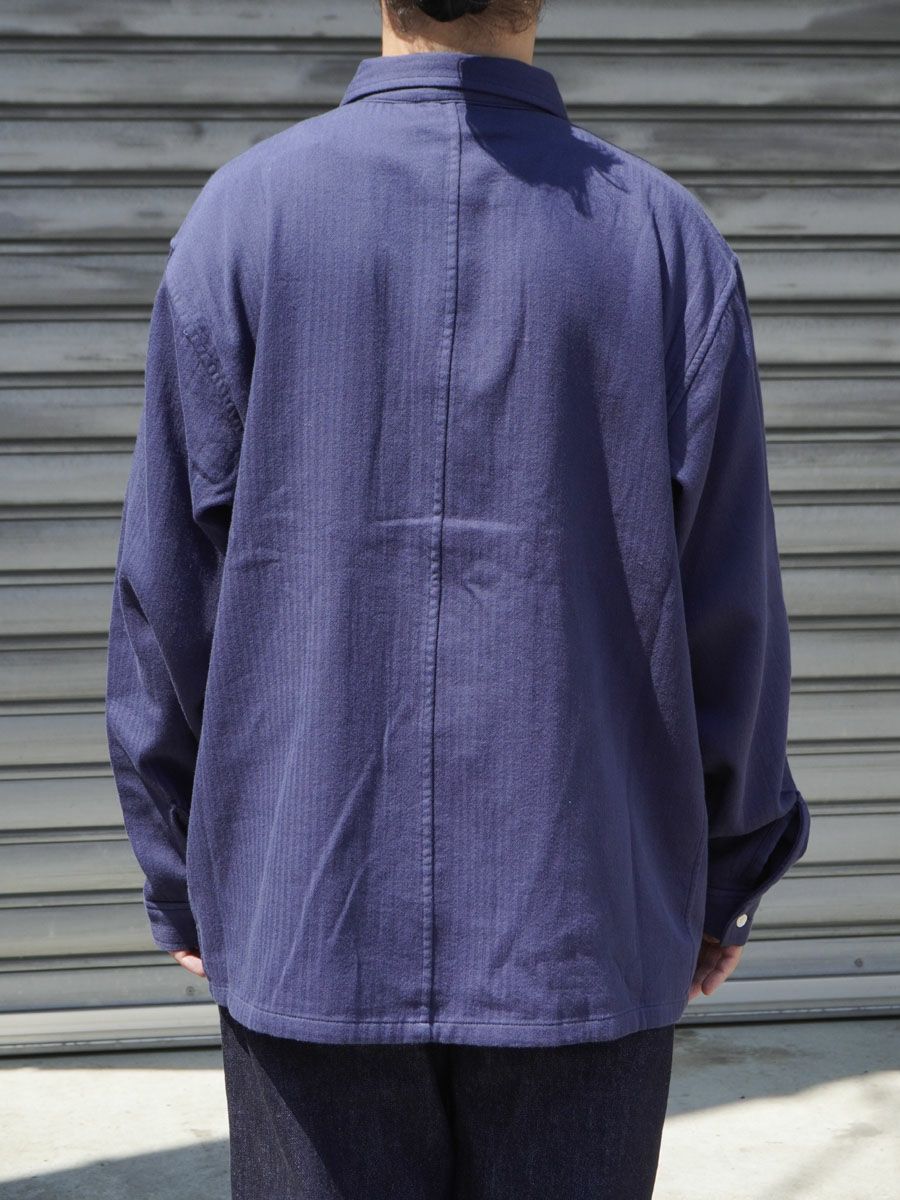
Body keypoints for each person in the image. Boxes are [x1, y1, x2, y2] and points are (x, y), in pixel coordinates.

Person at [104, 0, 812, 1196]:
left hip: (306, 915)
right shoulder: (663, 242)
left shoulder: (245, 220)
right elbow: (730, 612)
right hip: (584, 922)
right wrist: (729, 874)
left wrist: (184, 871)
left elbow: (164, 599)